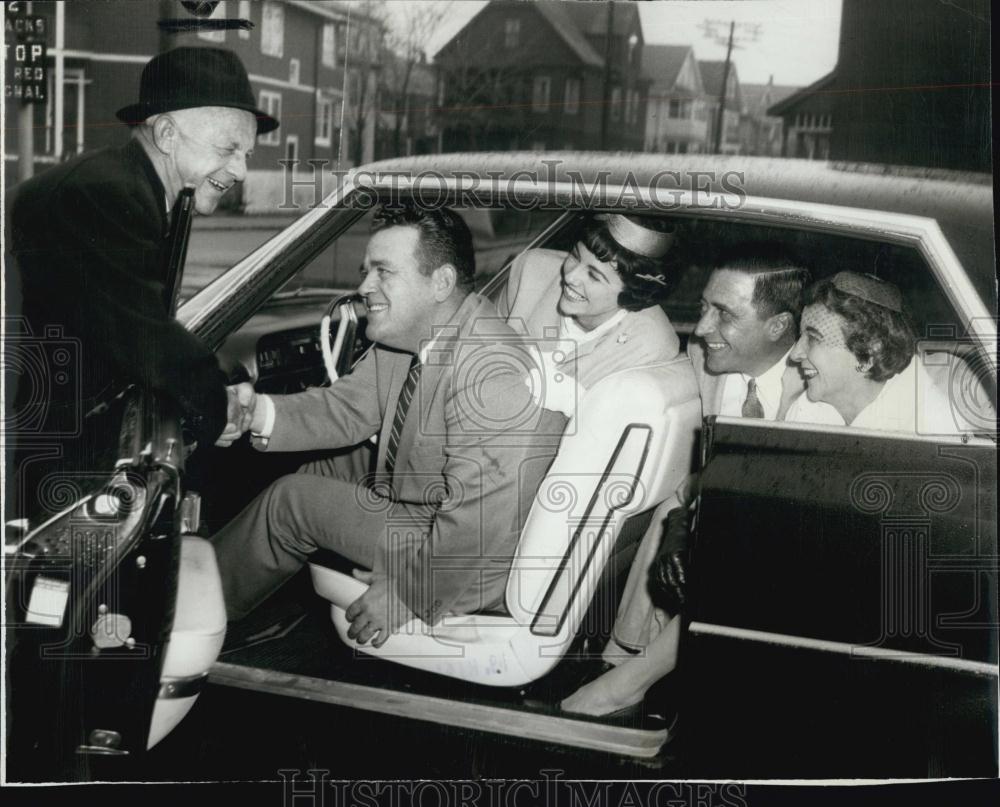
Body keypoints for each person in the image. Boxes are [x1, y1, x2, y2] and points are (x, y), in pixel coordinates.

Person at [212, 204, 564, 646]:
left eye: (383, 272)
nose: (363, 287)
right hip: (433, 508)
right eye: (366, 271)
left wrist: (409, 592)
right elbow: (346, 409)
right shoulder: (413, 334)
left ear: (441, 282)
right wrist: (252, 413)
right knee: (324, 468)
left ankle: (184, 617)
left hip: (467, 558)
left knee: (293, 501)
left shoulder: (490, 373)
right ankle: (247, 598)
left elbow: (479, 525)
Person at [8, 46, 277, 521]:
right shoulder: (106, 193)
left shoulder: (138, 187)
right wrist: (217, 402)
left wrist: (216, 386)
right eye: (228, 148)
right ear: (168, 133)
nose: (240, 171)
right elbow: (142, 334)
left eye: (247, 154)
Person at [561, 243, 812, 716]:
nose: (701, 329)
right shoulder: (699, 359)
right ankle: (622, 663)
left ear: (779, 326)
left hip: (773, 546)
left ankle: (632, 682)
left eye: (724, 314)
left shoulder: (813, 382)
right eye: (702, 308)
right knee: (669, 510)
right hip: (709, 513)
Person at [498, 213, 684, 416]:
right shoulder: (532, 270)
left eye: (594, 276)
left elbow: (621, 425)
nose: (570, 276)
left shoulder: (651, 343)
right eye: (575, 256)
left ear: (631, 295)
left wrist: (579, 403)